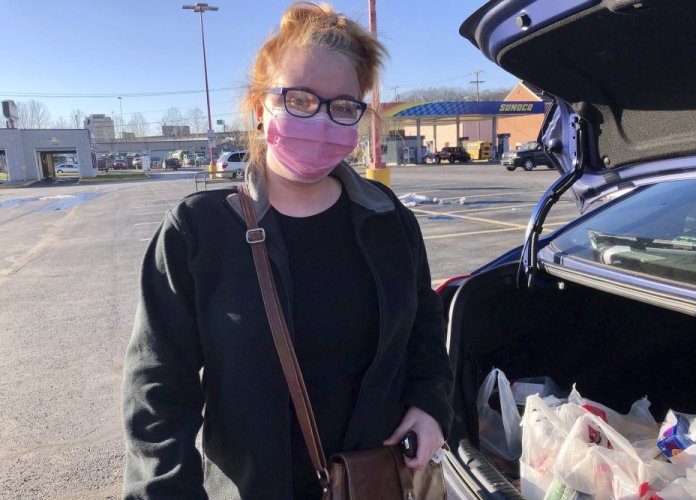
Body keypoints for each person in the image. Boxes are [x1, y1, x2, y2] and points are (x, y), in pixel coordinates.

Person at [121, 2, 454, 499]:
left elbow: (424, 323)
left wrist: (430, 405)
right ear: (260, 109)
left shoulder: (387, 219)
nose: (320, 119)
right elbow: (157, 393)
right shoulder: (198, 231)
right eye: (298, 99)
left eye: (343, 106)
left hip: (372, 482)